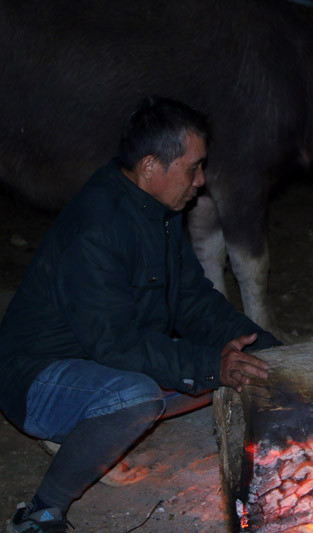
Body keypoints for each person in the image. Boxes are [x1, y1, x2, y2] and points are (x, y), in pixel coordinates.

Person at [0, 96, 280, 533]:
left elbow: (192, 300)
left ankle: (84, 435)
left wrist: (268, 350)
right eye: (194, 167)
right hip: (36, 377)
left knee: (242, 370)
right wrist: (211, 365)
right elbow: (115, 344)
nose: (202, 181)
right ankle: (41, 512)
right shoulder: (98, 227)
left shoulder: (160, 212)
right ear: (151, 166)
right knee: (140, 396)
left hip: (97, 362)